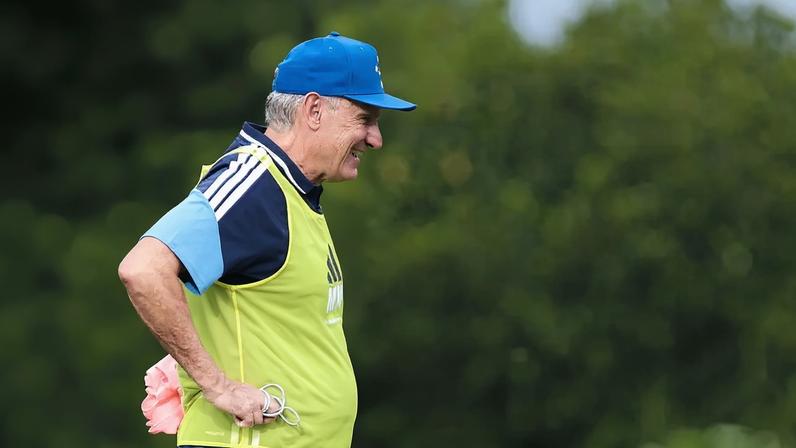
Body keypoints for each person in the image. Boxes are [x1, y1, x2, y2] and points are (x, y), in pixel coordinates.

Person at [118, 31, 416, 448]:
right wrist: (214, 383)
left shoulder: (292, 191)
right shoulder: (254, 185)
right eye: (365, 118)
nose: (376, 138)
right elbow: (144, 269)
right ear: (314, 109)